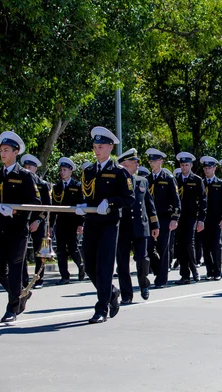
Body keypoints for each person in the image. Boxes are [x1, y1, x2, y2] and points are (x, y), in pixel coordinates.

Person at [79, 127, 135, 324]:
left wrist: (110, 202)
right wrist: (82, 207)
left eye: (101, 146)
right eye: (95, 146)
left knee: (104, 267)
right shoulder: (88, 171)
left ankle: (101, 308)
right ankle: (111, 291)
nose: (97, 150)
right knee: (89, 266)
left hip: (109, 224)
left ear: (110, 147)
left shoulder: (119, 172)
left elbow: (129, 198)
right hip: (91, 223)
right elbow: (85, 194)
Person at [0, 131, 41, 322]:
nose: (2, 153)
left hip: (17, 229)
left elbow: (35, 202)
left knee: (16, 270)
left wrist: (15, 212)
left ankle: (12, 308)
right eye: (1, 150)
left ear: (16, 152)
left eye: (6, 150)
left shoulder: (25, 176)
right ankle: (20, 294)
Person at [115, 148, 159, 303]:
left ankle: (143, 283)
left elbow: (149, 204)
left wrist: (155, 225)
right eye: (134, 162)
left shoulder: (142, 181)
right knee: (122, 264)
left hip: (141, 226)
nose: (137, 164)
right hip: (123, 227)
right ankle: (127, 295)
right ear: (124, 165)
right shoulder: (117, 181)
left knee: (142, 259)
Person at [145, 148, 181, 288]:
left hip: (165, 217)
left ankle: (161, 279)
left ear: (160, 161)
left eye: (154, 160)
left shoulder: (168, 178)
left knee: (163, 248)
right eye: (150, 160)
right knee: (148, 247)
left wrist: (175, 218)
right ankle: (156, 269)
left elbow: (176, 201)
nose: (151, 163)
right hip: (150, 218)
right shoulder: (147, 179)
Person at [51, 157, 85, 286]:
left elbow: (81, 206)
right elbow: (54, 206)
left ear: (70, 171)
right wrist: (51, 223)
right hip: (60, 222)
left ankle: (80, 265)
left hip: (72, 221)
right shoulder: (57, 187)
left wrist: (81, 224)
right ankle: (64, 275)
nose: (62, 172)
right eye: (61, 170)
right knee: (60, 250)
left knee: (73, 247)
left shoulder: (77, 186)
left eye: (65, 170)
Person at [19, 153, 52, 289]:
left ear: (35, 169)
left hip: (38, 221)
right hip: (24, 220)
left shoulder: (42, 185)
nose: (27, 169)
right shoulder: (21, 182)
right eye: (25, 166)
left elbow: (47, 206)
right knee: (22, 251)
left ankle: (39, 278)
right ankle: (24, 280)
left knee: (40, 251)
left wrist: (38, 221)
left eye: (29, 167)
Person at [174, 152, 206, 284]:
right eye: (182, 165)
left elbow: (203, 200)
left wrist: (201, 219)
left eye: (186, 165)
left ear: (191, 165)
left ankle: (194, 270)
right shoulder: (176, 179)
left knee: (189, 242)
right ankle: (184, 275)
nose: (184, 167)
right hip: (179, 216)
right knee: (180, 245)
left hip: (192, 216)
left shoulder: (197, 180)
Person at [200, 156, 222, 280]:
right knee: (205, 246)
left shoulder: (221, 184)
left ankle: (217, 271)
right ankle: (209, 271)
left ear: (215, 169)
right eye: (206, 168)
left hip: (217, 219)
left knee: (216, 245)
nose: (208, 170)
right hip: (204, 219)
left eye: (210, 168)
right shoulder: (201, 183)